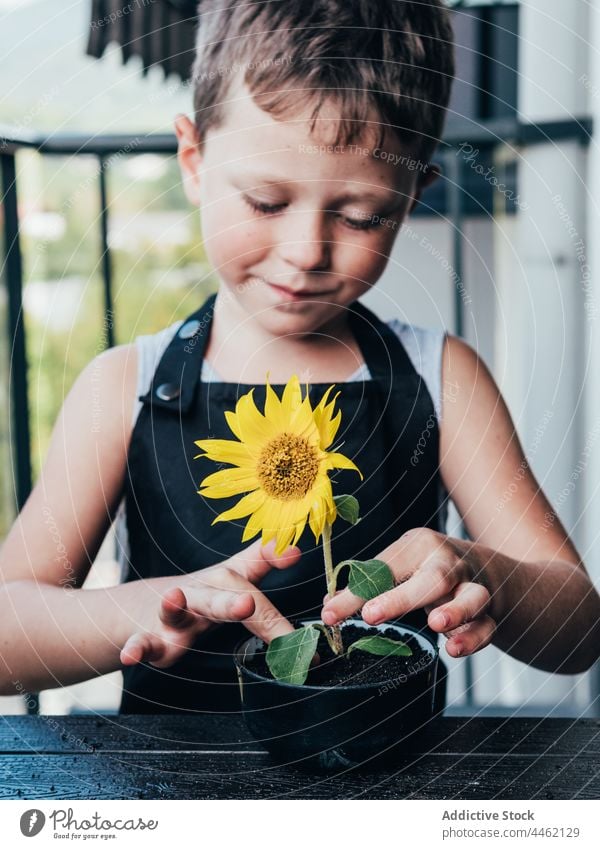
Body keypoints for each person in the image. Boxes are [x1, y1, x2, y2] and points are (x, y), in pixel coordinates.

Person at [1, 0, 598, 714]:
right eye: (264, 201)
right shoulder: (121, 387)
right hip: (174, 803)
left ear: (411, 200)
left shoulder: (445, 378)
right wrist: (132, 609)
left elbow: (579, 629)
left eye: (358, 216)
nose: (306, 251)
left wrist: (484, 572)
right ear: (193, 161)